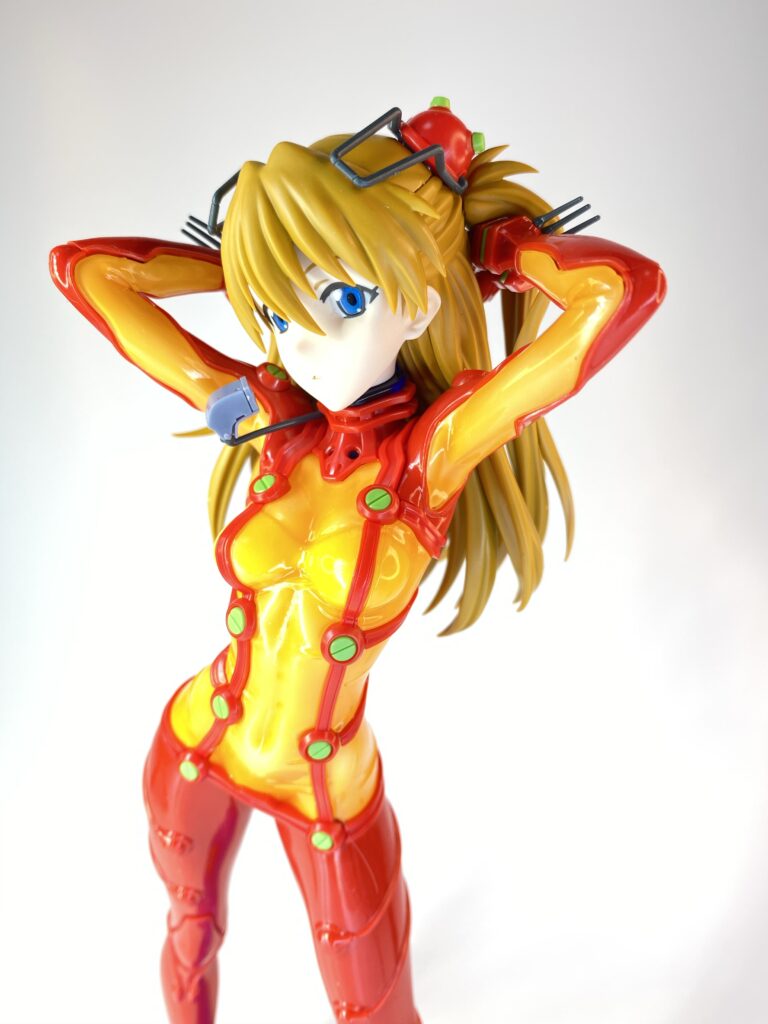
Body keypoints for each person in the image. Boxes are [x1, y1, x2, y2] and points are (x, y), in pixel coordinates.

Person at [49, 99, 666, 1024]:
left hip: (327, 788)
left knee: (377, 1012)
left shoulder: (432, 456)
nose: (299, 343)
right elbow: (87, 272)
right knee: (188, 931)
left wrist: (500, 251)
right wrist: (256, 260)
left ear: (418, 300)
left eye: (341, 300)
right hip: (198, 738)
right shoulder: (271, 417)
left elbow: (622, 290)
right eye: (276, 312)